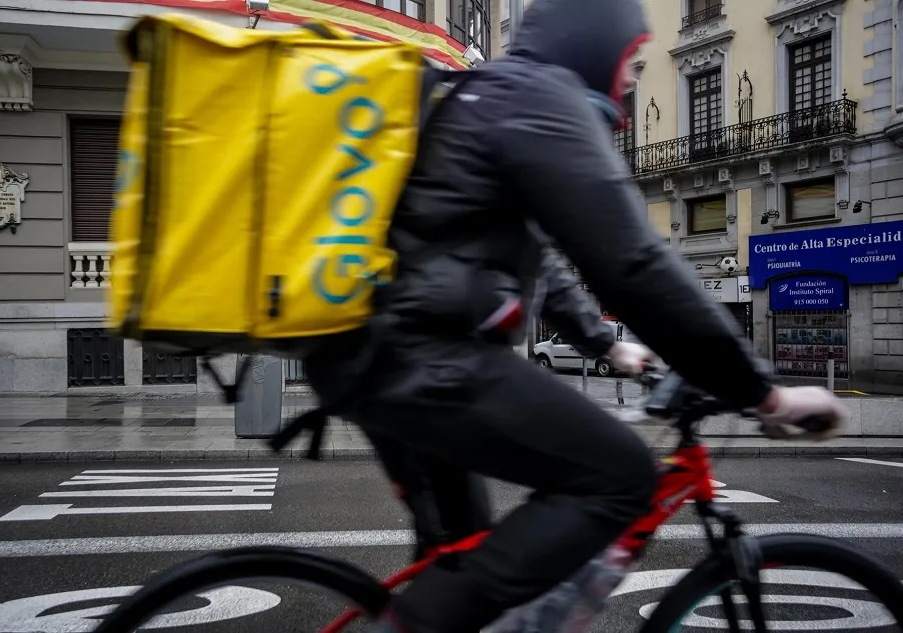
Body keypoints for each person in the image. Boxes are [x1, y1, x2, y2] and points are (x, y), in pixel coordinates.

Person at [302, 0, 851, 631]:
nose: (629, 85)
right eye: (630, 63)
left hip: (369, 352)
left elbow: (540, 257)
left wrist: (608, 346)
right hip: (417, 357)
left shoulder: (495, 94)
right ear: (597, 48)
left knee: (464, 557)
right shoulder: (540, 100)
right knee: (619, 477)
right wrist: (764, 394)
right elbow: (633, 263)